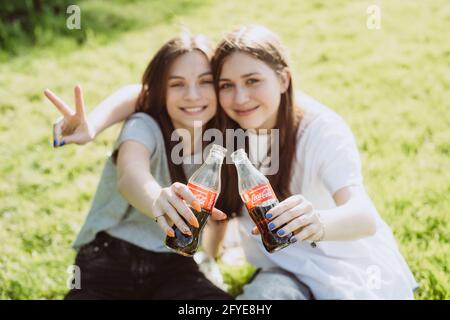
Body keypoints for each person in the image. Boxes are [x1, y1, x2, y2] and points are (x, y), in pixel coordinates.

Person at [205, 24, 418, 299]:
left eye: (252, 80)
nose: (240, 98)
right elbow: (224, 210)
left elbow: (363, 216)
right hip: (282, 270)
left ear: (283, 79)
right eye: (226, 85)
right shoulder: (226, 133)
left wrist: (316, 222)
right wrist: (211, 258)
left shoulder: (322, 129)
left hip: (343, 265)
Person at [45, 32, 232, 300]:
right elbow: (130, 176)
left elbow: (221, 212)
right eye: (177, 84)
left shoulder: (223, 140)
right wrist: (158, 198)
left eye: (205, 81)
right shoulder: (144, 125)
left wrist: (210, 259)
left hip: (175, 263)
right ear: (160, 91)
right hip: (109, 256)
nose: (192, 95)